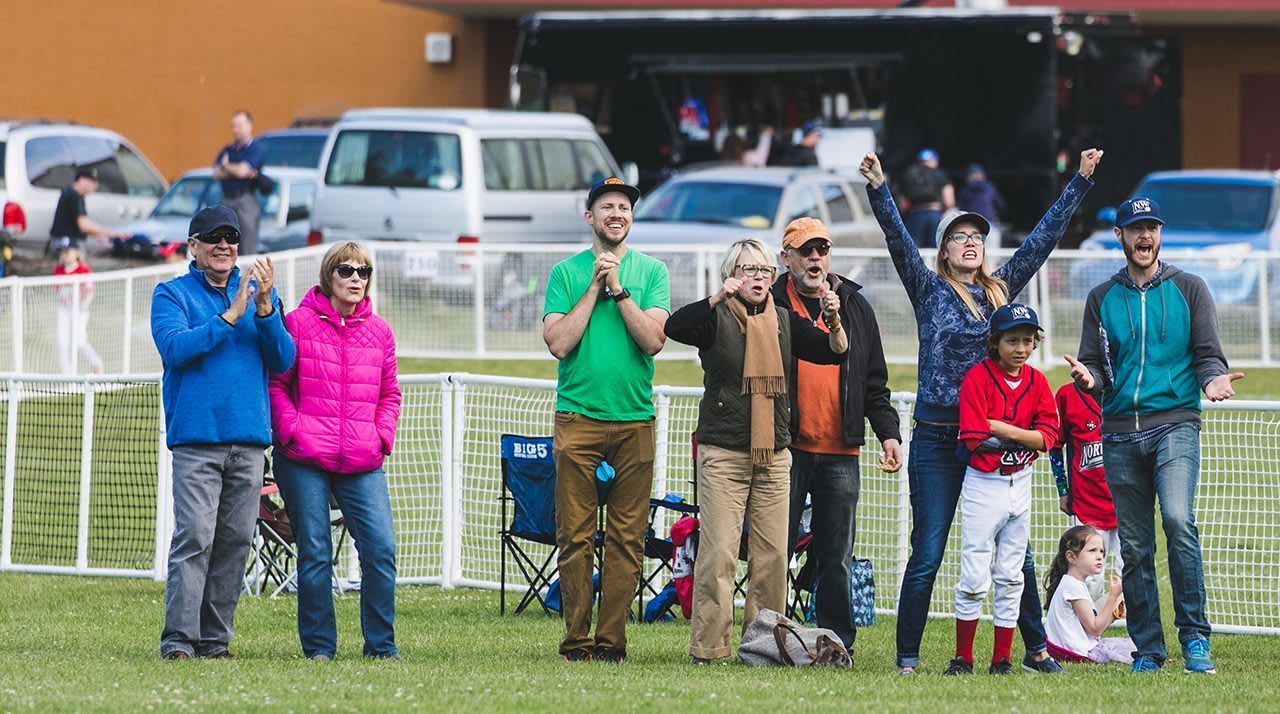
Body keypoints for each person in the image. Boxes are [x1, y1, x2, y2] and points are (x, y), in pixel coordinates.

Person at [859, 147, 1103, 675]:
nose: (969, 243)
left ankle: (1035, 650)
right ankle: (906, 657)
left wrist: (1080, 182)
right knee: (928, 551)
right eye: (958, 238)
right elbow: (898, 240)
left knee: (1020, 554)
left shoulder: (1000, 291)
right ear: (944, 251)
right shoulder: (928, 289)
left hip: (1000, 441)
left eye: (976, 238)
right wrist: (880, 189)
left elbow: (1041, 242)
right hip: (939, 439)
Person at [1066, 196, 1244, 675]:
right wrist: (1091, 381)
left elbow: (1208, 354)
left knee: (1179, 521)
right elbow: (1098, 367)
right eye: (1134, 228)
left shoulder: (1190, 288)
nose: (1144, 236)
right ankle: (1148, 649)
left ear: (1159, 235)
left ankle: (1195, 640)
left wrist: (1214, 380)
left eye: (1151, 228)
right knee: (1137, 546)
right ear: (1120, 236)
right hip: (1120, 434)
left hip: (1176, 425)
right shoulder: (1101, 298)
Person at [665, 238, 847, 664]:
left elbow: (833, 353)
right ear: (732, 274)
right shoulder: (714, 319)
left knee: (773, 558)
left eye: (764, 270)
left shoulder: (785, 320)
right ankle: (710, 648)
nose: (757, 278)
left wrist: (834, 321)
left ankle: (762, 645)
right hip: (723, 453)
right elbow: (675, 327)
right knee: (719, 555)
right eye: (747, 270)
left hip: (774, 455)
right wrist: (717, 296)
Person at [151, 205, 295, 660]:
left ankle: (215, 642)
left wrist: (266, 309)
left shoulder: (259, 297)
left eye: (231, 237)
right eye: (212, 237)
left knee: (234, 542)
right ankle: (179, 641)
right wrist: (231, 315)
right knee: (195, 537)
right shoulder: (170, 295)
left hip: (249, 441)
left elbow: (284, 359)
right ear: (193, 245)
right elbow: (176, 349)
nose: (224, 245)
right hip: (196, 440)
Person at [542, 177, 670, 664]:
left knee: (626, 539)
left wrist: (619, 290)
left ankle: (612, 642)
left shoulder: (652, 271)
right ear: (590, 218)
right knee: (573, 536)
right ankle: (576, 642)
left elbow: (653, 340)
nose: (617, 214)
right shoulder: (566, 273)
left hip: (636, 418)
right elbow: (558, 343)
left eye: (624, 207)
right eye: (607, 207)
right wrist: (594, 287)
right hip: (578, 419)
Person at [769, 217, 901, 656]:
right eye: (805, 250)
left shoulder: (856, 307)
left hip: (841, 449)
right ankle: (768, 635)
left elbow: (874, 383)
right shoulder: (769, 303)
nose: (815, 258)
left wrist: (889, 436)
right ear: (785, 257)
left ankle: (836, 643)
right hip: (785, 448)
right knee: (776, 550)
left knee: (836, 556)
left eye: (822, 250)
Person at [269, 242, 402, 661]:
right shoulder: (296, 323)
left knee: (380, 550)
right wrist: (291, 432)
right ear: (329, 276)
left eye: (364, 272)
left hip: (362, 459)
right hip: (304, 456)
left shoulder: (380, 332)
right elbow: (277, 386)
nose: (356, 279)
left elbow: (390, 393)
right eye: (346, 271)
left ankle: (381, 647)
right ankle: (320, 648)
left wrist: (381, 435)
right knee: (315, 551)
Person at [947, 303, 1060, 676]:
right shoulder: (978, 379)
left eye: (1028, 340)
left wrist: (1007, 430)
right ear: (995, 342)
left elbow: (1049, 437)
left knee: (1012, 574)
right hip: (984, 485)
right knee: (975, 574)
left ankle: (1002, 660)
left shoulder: (1038, 381)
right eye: (1013, 340)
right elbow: (976, 437)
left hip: (1020, 485)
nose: (1022, 348)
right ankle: (964, 657)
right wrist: (1026, 439)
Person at [1050, 380, 1123, 601]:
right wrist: (1063, 490)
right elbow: (1054, 446)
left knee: (1128, 571)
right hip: (1087, 502)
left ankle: (1130, 628)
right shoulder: (1067, 395)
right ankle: (1082, 626)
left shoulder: (1128, 386)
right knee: (1090, 575)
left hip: (1127, 502)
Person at [1043, 525, 1136, 664]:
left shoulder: (1072, 583)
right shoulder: (1073, 587)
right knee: (1135, 648)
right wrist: (1112, 596)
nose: (1099, 556)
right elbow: (1095, 629)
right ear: (1071, 557)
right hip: (1076, 651)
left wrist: (1114, 612)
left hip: (1067, 647)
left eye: (1101, 551)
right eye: (1092, 551)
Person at [212, 110, 267, 256]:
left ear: (249, 126)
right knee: (224, 243)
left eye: (239, 125)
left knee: (247, 246)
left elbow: (243, 172)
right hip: (227, 199)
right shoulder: (228, 149)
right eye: (233, 126)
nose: (235, 129)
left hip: (245, 200)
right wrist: (234, 169)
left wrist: (227, 166)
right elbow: (216, 173)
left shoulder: (256, 148)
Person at [53, 238, 104, 374]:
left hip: (79, 310)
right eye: (61, 252)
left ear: (76, 252)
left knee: (79, 341)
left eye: (67, 252)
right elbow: (57, 290)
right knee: (62, 342)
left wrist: (84, 305)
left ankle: (96, 362)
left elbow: (90, 291)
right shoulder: (59, 269)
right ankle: (67, 374)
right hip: (64, 309)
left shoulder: (83, 269)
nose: (64, 255)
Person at [49, 167, 127, 249]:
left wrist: (96, 234)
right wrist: (111, 232)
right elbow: (84, 225)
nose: (96, 186)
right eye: (93, 182)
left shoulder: (69, 192)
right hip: (67, 245)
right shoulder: (75, 196)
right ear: (82, 180)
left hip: (61, 242)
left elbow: (73, 225)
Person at [897, 149, 955, 248]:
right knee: (935, 248)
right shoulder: (939, 174)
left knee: (914, 248)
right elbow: (949, 200)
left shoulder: (908, 174)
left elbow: (901, 200)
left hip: (914, 215)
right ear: (935, 161)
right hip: (935, 214)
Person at [956, 164, 1005, 246]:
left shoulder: (964, 190)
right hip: (990, 226)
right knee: (993, 255)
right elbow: (1000, 205)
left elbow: (961, 210)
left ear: (968, 177)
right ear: (982, 175)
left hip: (972, 227)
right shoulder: (990, 188)